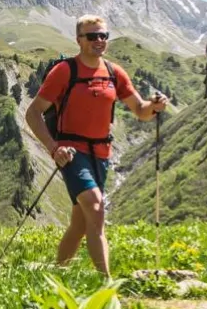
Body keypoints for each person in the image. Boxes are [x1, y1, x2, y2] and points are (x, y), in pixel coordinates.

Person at [26, 15, 168, 277]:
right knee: (96, 208)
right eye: (92, 36)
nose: (99, 41)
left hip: (101, 155)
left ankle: (58, 276)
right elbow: (33, 113)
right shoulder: (65, 71)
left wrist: (155, 106)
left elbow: (140, 110)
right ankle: (106, 284)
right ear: (79, 40)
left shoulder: (114, 73)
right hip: (71, 154)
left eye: (103, 36)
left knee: (80, 225)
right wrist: (54, 148)